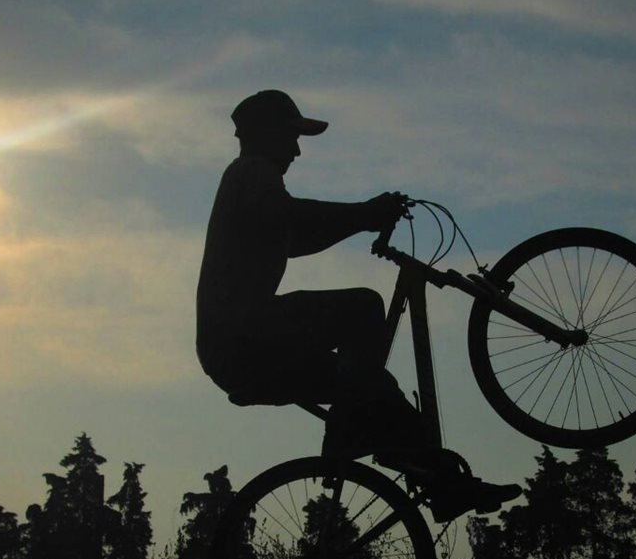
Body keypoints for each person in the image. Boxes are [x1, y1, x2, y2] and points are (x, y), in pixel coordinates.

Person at [196, 89, 520, 520]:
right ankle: (348, 430)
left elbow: (298, 237)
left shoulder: (253, 187)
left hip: (242, 348)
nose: (296, 150)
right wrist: (365, 213)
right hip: (241, 338)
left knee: (378, 392)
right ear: (266, 134)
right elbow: (292, 220)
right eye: (291, 138)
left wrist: (362, 220)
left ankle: (444, 485)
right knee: (363, 308)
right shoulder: (251, 173)